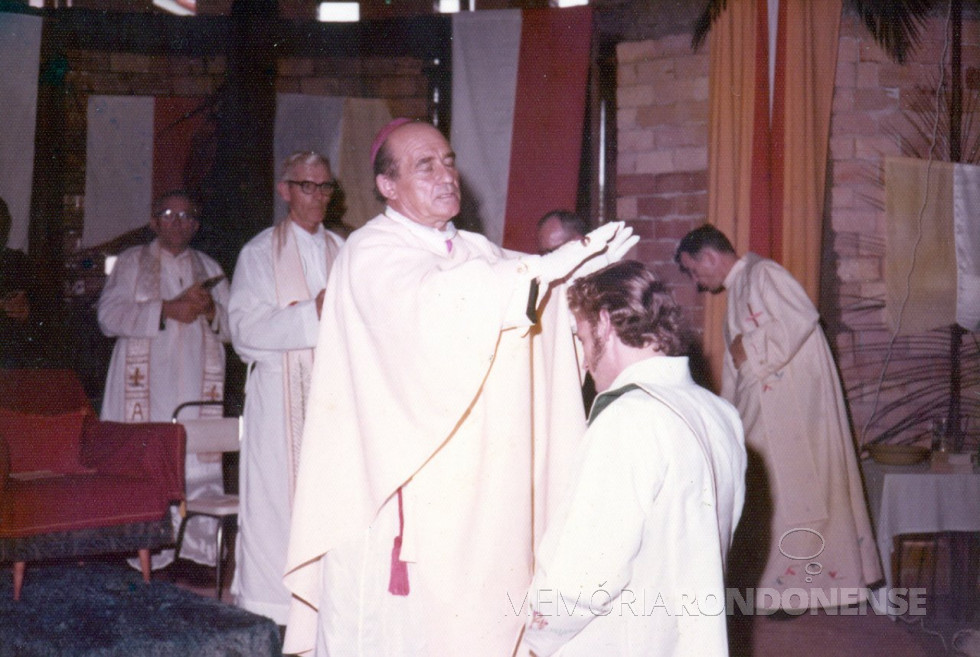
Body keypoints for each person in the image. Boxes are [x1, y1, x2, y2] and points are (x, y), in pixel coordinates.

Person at [283, 119, 637, 656]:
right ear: (387, 185)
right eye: (425, 166)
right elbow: (438, 305)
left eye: (448, 161)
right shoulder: (369, 250)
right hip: (408, 484)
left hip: (484, 488)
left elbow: (528, 295)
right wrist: (547, 269)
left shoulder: (478, 251)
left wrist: (577, 276)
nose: (446, 174)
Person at [519, 260, 746, 656]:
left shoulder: (628, 419)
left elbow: (583, 575)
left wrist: (536, 639)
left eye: (582, 338)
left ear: (604, 323)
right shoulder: (720, 413)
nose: (585, 362)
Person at [674, 224, 882, 613]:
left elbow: (800, 317)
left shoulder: (764, 274)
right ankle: (785, 594)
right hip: (769, 409)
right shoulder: (739, 289)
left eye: (694, 270)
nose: (698, 282)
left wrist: (746, 347)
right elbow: (739, 366)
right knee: (780, 500)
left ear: (709, 257)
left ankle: (793, 596)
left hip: (794, 410)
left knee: (796, 498)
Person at [228, 150, 345, 624]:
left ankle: (329, 606)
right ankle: (274, 612)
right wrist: (311, 313)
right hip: (280, 402)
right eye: (306, 186)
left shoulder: (346, 248)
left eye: (324, 187)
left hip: (336, 398)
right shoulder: (259, 253)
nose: (316, 196)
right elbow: (244, 331)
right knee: (278, 507)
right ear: (285, 190)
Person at [98, 190, 231, 571]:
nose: (178, 221)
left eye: (187, 216)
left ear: (196, 225)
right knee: (147, 460)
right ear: (154, 221)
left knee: (193, 459)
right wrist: (166, 309)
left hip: (195, 385)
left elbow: (237, 330)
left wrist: (211, 310)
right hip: (144, 384)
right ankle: (140, 551)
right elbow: (108, 316)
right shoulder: (130, 261)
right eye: (169, 214)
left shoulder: (211, 267)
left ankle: (195, 551)